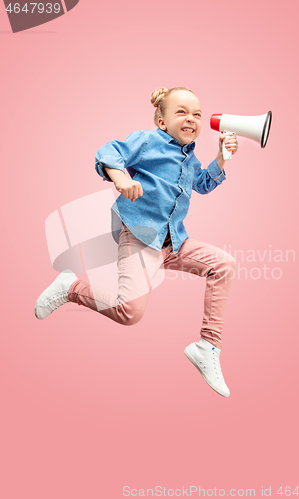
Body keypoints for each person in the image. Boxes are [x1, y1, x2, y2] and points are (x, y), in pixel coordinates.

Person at [35, 87, 238, 397]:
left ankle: (207, 346)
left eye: (197, 114)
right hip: (141, 235)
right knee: (130, 312)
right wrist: (121, 179)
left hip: (173, 240)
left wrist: (222, 158)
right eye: (181, 112)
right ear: (161, 121)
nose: (192, 118)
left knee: (224, 265)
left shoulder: (190, 156)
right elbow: (108, 152)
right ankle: (70, 288)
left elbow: (202, 184)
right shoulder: (148, 141)